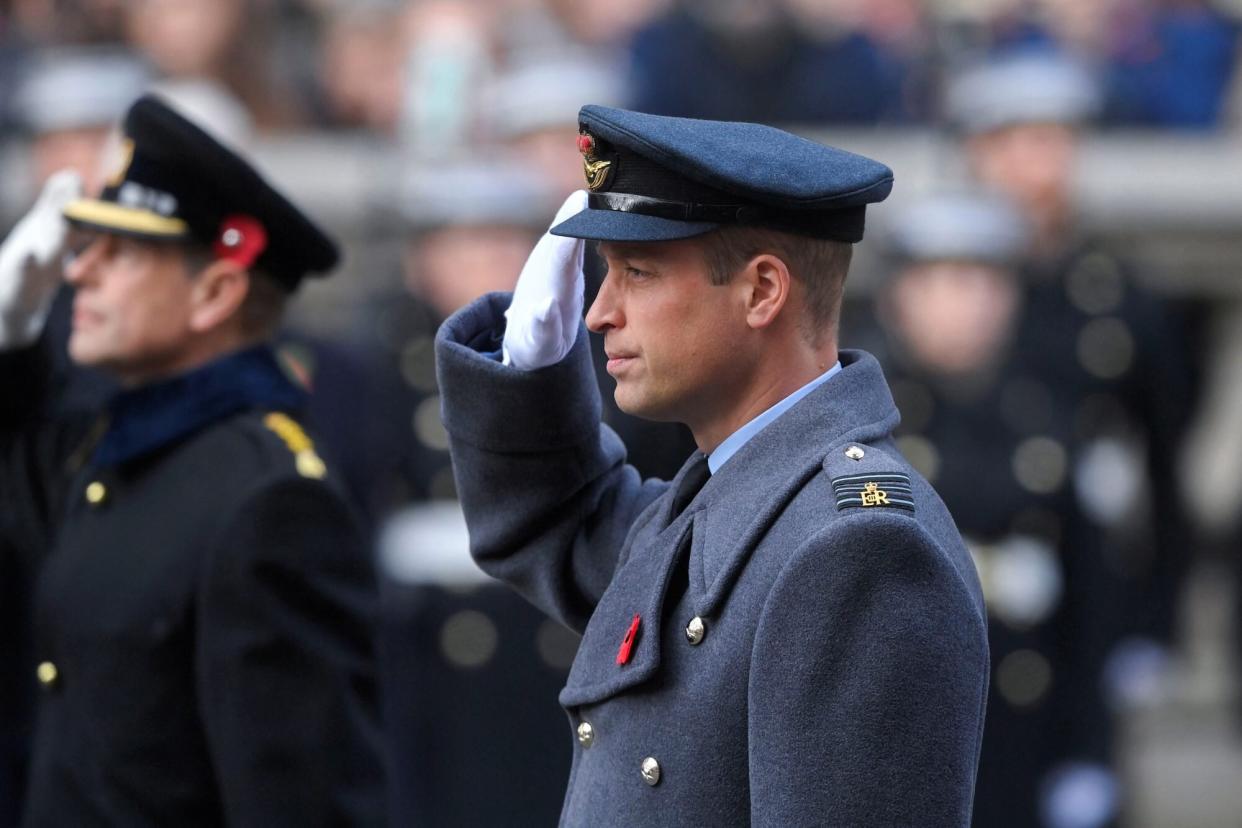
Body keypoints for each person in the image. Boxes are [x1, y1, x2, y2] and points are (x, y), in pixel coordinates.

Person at [434, 104, 989, 824]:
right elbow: (562, 529)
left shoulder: (856, 551)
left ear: (762, 291)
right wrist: (529, 370)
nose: (599, 313)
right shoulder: (732, 498)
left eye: (637, 272)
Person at [0, 95, 385, 826]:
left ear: (216, 291)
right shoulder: (119, 449)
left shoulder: (269, 500)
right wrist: (11, 332)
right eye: (89, 246)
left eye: (122, 253)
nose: (80, 273)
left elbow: (301, 801)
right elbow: (19, 488)